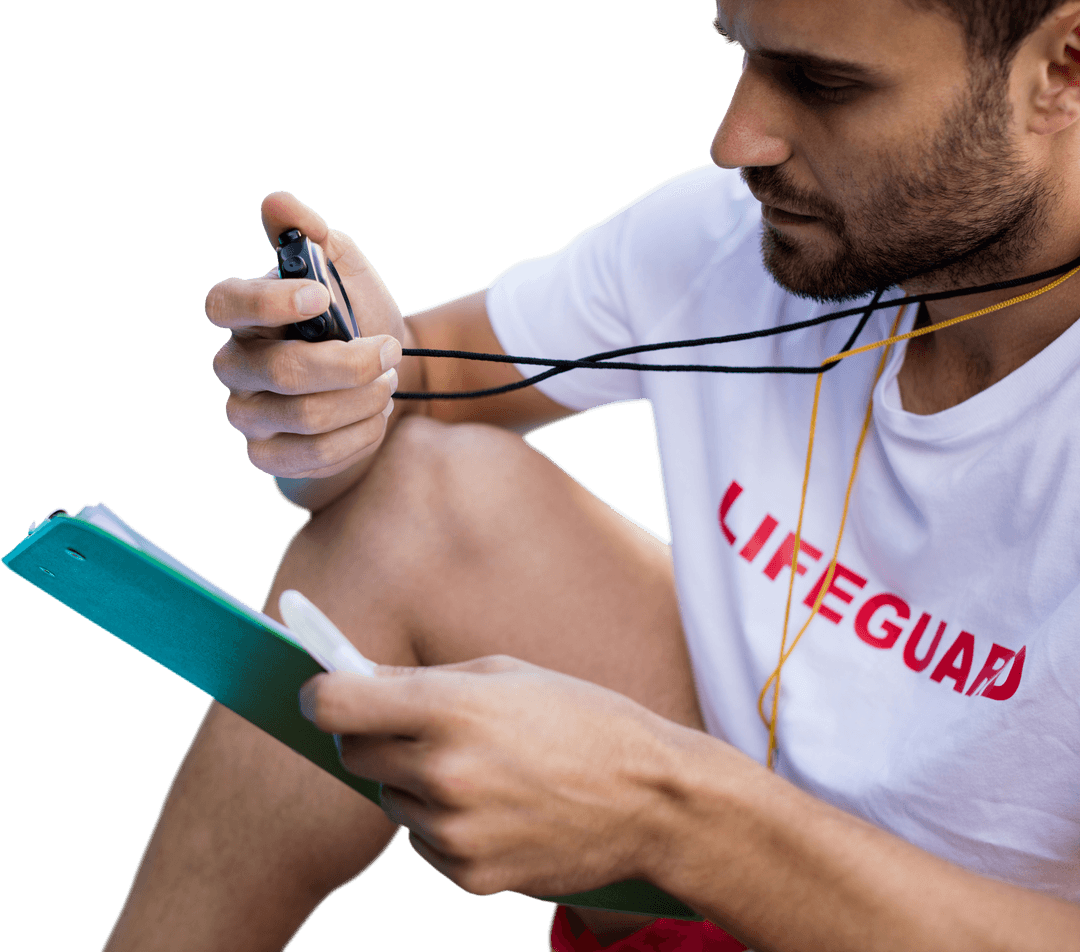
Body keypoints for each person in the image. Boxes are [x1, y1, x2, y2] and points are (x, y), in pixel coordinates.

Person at [103, 0, 1080, 949]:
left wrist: (669, 807)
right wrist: (337, 394)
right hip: (744, 837)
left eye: (825, 82)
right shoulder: (750, 238)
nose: (737, 140)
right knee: (414, 500)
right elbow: (415, 394)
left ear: (1064, 65)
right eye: (740, 51)